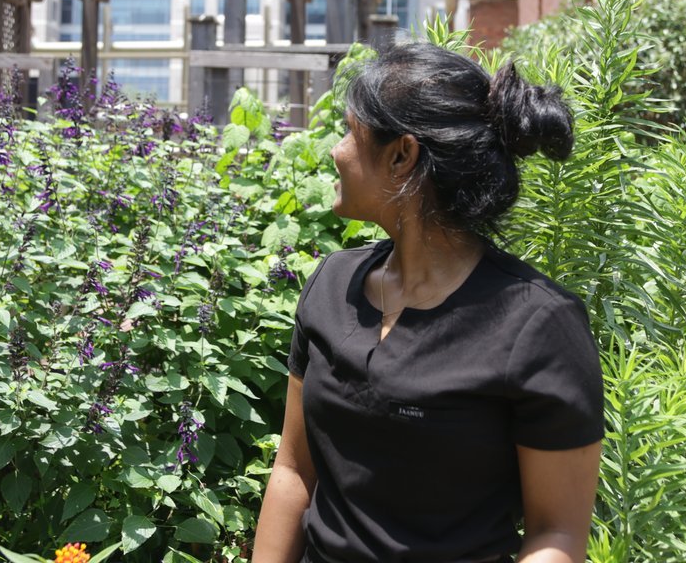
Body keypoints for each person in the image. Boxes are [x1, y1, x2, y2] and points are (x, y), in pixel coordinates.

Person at [252, 43, 604, 563]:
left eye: (350, 131)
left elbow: (557, 534)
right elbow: (293, 471)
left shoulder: (538, 323)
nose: (336, 150)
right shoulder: (332, 285)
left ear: (403, 154)